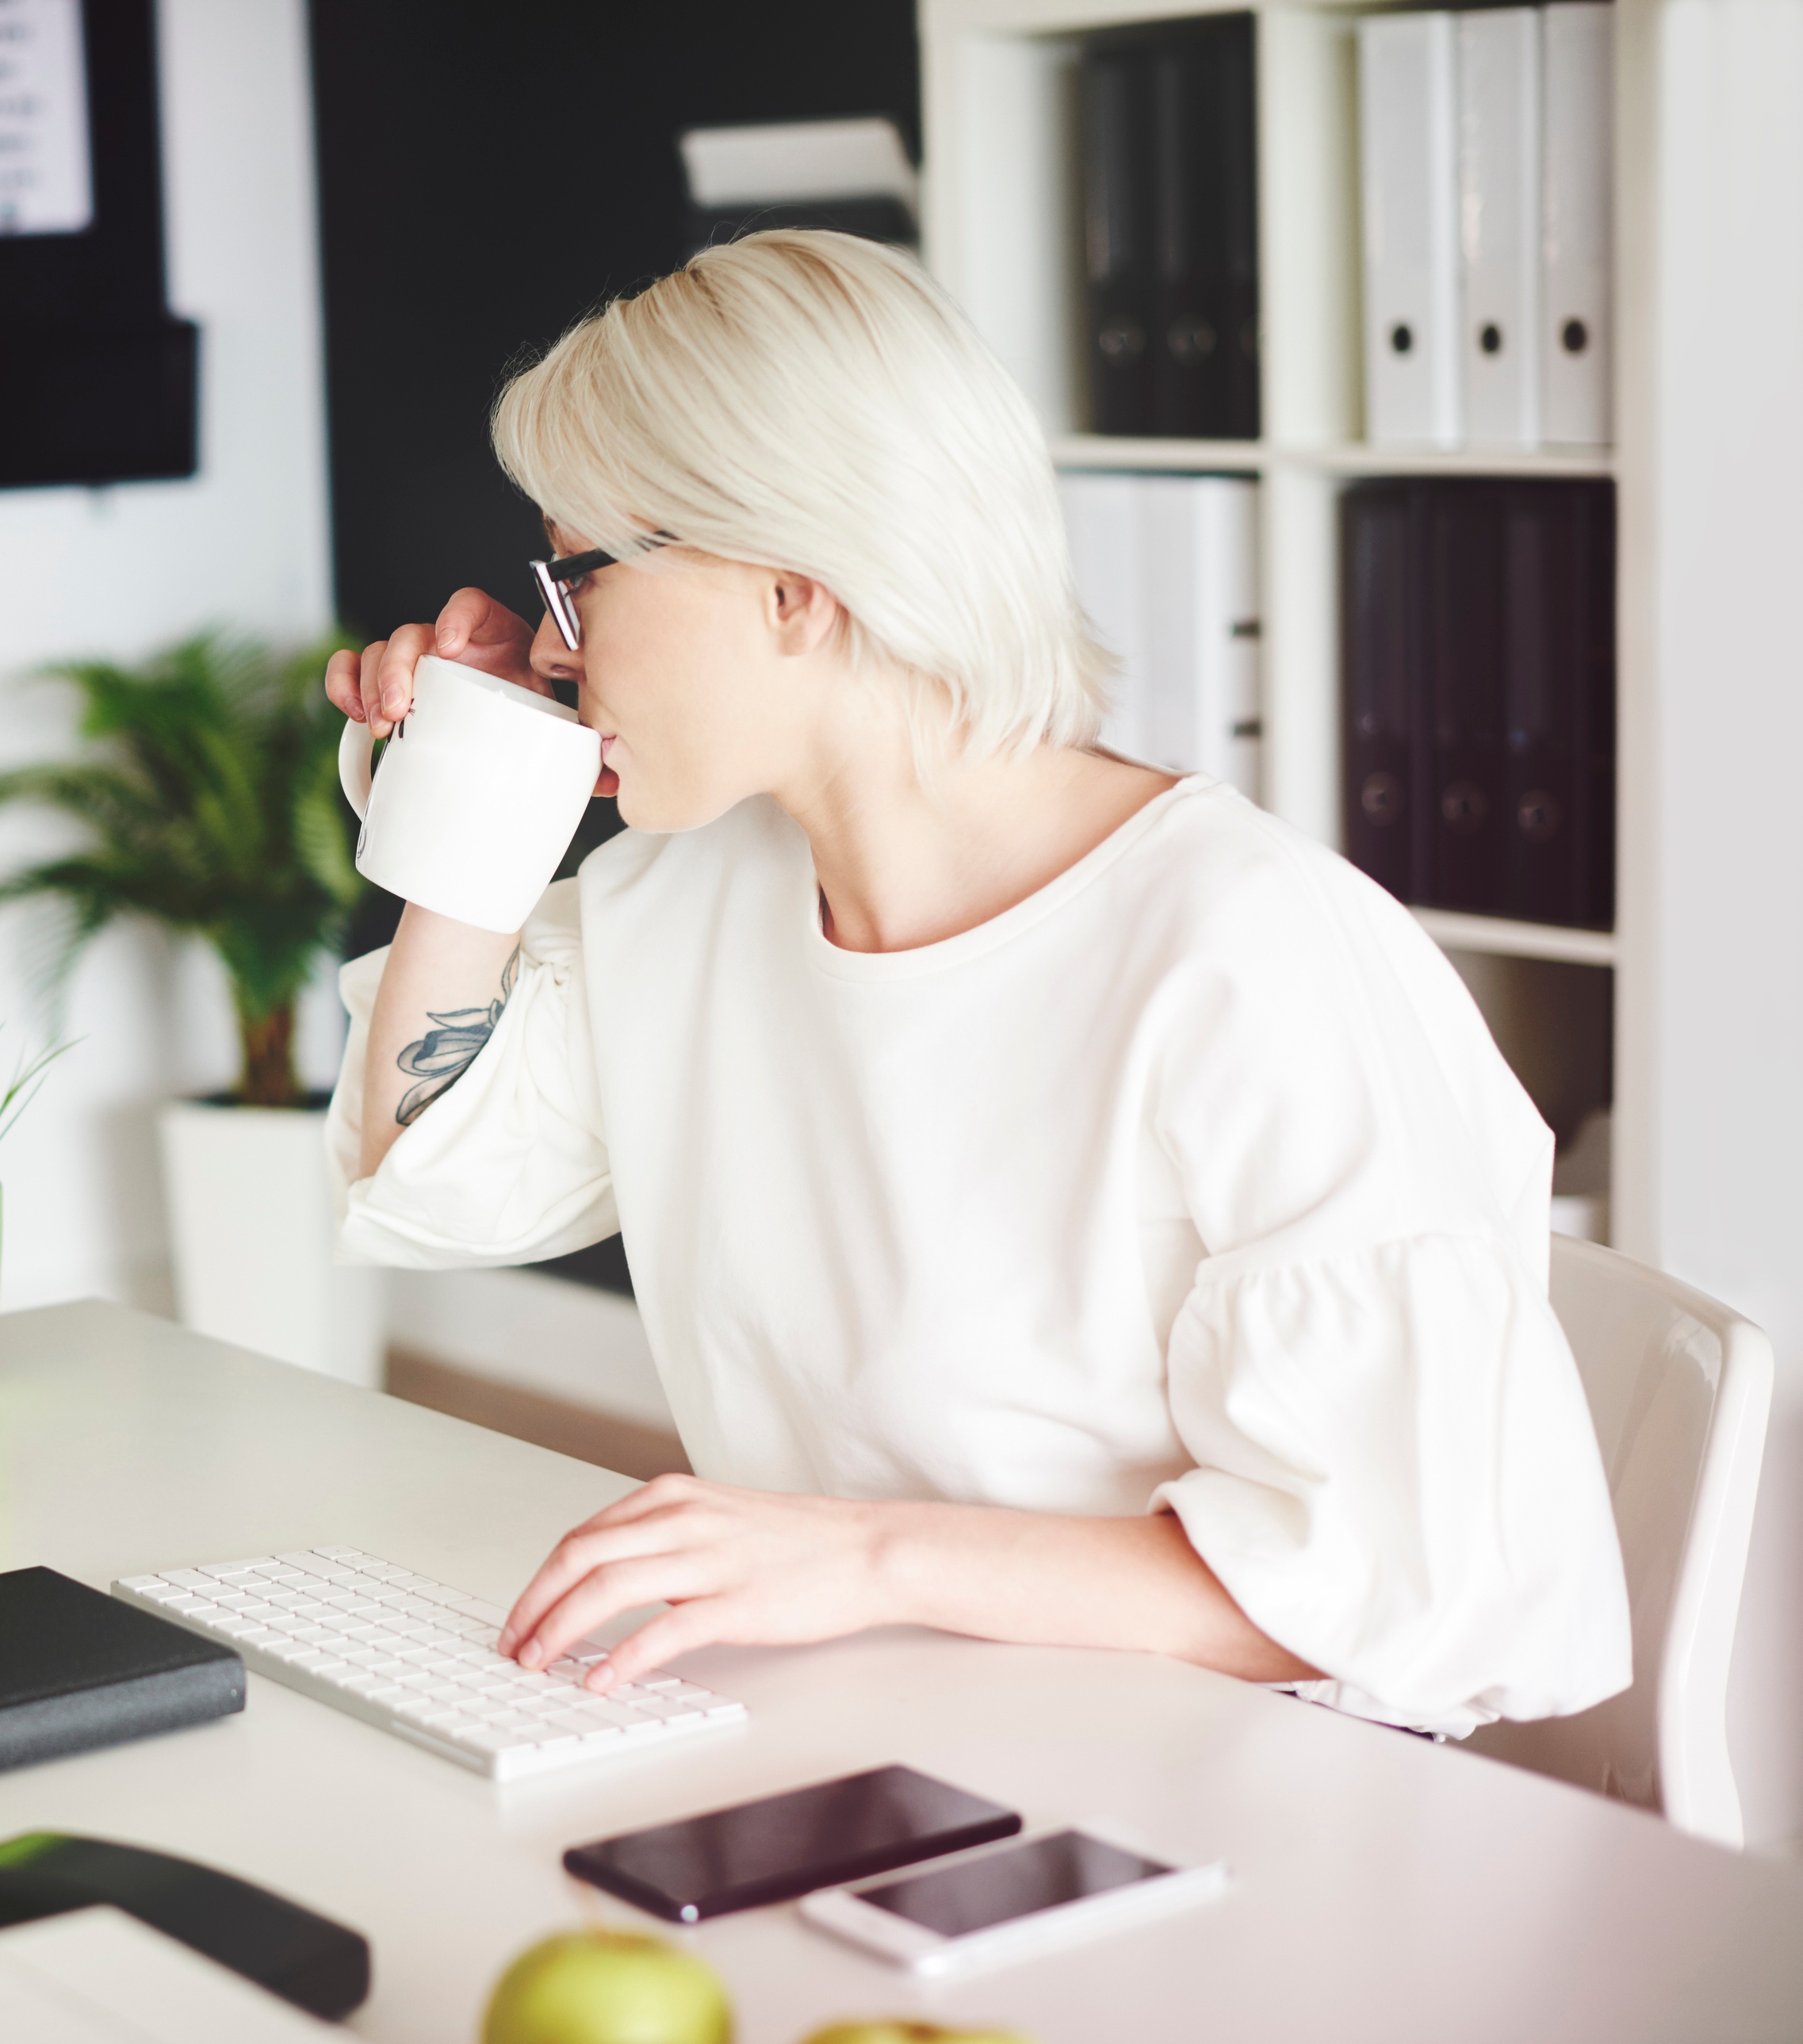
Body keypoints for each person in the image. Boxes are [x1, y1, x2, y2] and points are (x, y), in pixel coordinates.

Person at [321, 231, 1628, 1738]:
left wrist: (869, 1557)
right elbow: (436, 1174)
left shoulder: (1250, 953)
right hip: (864, 1724)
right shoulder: (692, 896)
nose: (555, 639)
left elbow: (1397, 1580)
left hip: (1232, 1781)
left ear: (789, 586)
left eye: (579, 575)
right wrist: (476, 789)